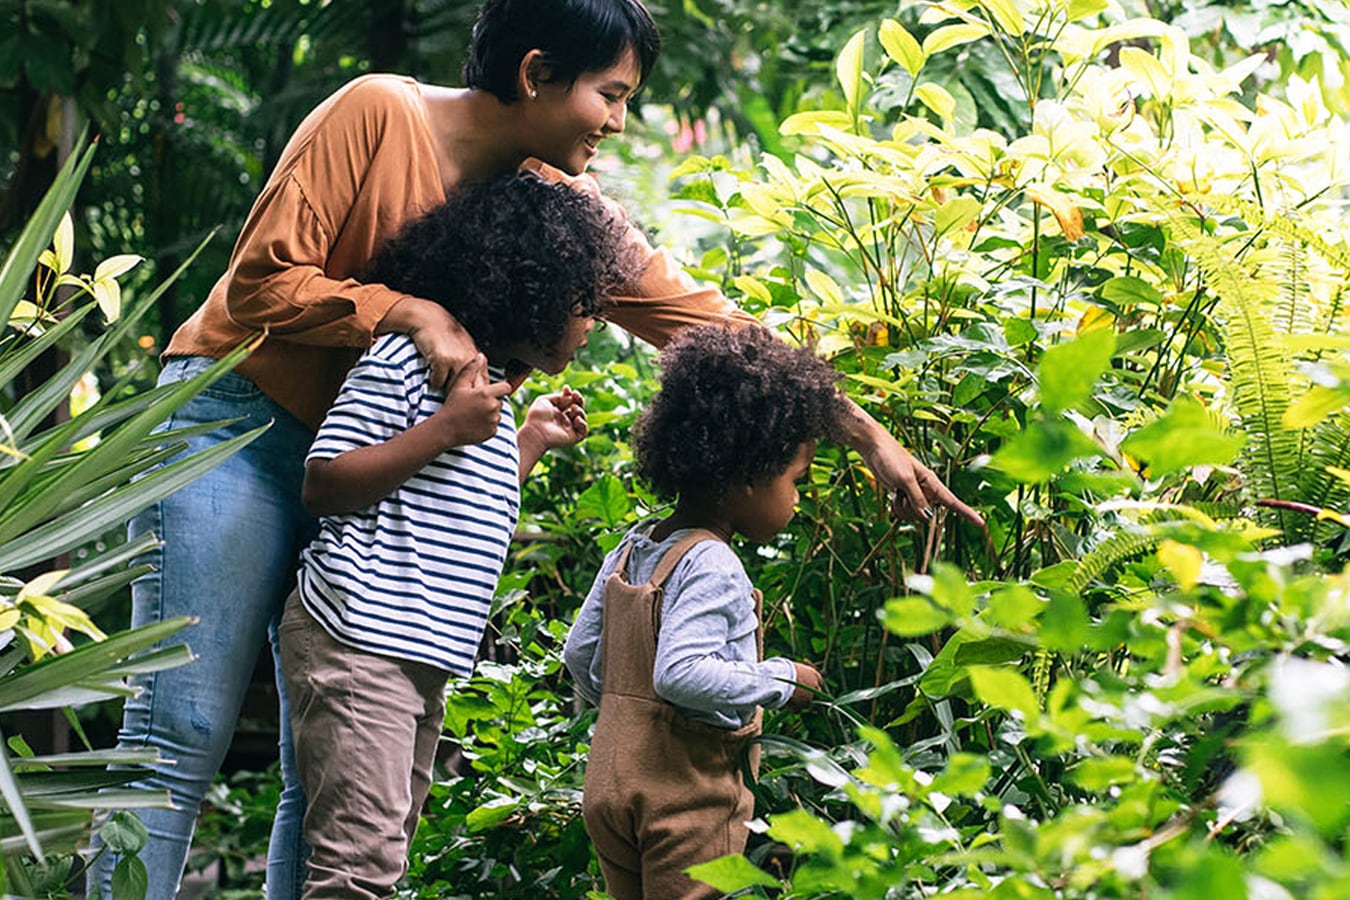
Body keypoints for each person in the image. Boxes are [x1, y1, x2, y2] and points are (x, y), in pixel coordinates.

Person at [90, 0, 981, 896]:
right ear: (535, 73)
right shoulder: (378, 112)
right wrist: (409, 309)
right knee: (181, 730)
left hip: (382, 483)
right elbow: (259, 285)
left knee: (320, 778)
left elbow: (703, 325)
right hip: (243, 426)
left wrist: (863, 431)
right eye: (611, 93)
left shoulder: (552, 206)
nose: (621, 121)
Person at [280, 171, 628, 898]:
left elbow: (461, 504)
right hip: (359, 638)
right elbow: (326, 482)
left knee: (380, 862)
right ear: (525, 289)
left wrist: (526, 442)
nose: (591, 323)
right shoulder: (413, 364)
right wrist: (445, 428)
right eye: (582, 304)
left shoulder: (491, 388)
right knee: (357, 869)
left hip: (414, 653)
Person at [564, 324, 839, 899]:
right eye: (795, 480)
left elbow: (582, 655)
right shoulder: (713, 563)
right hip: (682, 794)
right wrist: (780, 680)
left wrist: (629, 718)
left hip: (609, 784)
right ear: (746, 478)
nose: (797, 497)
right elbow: (680, 674)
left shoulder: (635, 545)